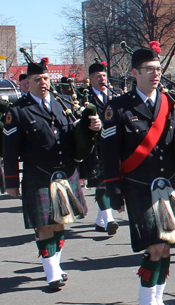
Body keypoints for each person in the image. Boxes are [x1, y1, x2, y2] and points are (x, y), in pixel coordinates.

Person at [99, 45, 175, 305]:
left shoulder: (169, 103)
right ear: (135, 72)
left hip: (170, 183)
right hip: (140, 184)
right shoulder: (118, 108)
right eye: (149, 69)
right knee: (155, 247)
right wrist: (113, 190)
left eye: (158, 69)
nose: (155, 74)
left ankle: (158, 301)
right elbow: (108, 153)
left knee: (167, 245)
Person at [3, 58, 101, 290]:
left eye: (46, 79)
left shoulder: (62, 103)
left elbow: (77, 136)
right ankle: (51, 270)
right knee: (44, 224)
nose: (43, 83)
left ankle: (55, 264)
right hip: (38, 174)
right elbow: (9, 151)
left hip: (65, 173)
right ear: (28, 82)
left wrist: (92, 128)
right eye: (38, 80)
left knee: (59, 222)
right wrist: (10, 182)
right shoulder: (17, 111)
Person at [79, 61, 120, 235]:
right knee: (102, 183)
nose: (102, 79)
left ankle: (100, 221)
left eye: (104, 76)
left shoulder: (114, 96)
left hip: (113, 145)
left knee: (108, 181)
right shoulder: (85, 99)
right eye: (98, 76)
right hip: (95, 147)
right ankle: (109, 219)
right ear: (91, 79)